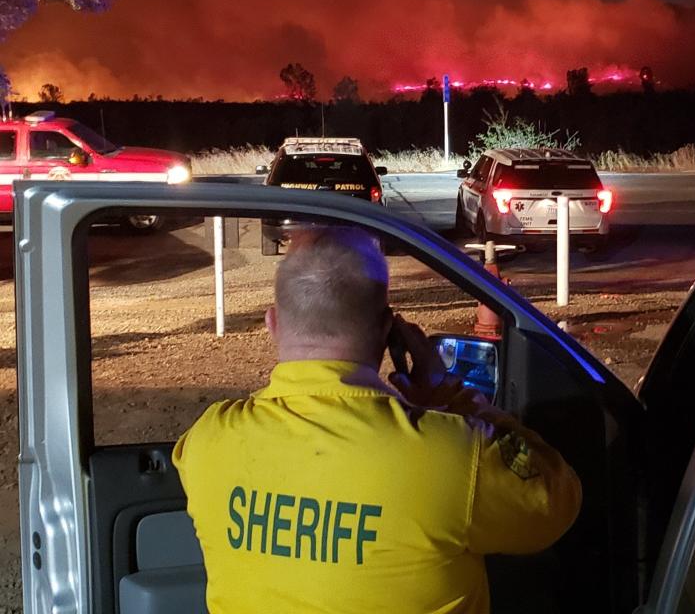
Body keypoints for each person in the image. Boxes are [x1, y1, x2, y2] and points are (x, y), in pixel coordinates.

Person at [173, 226, 582, 613]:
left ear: (272, 323)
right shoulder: (454, 454)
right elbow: (556, 503)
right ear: (388, 331)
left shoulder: (207, 440)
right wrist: (446, 392)